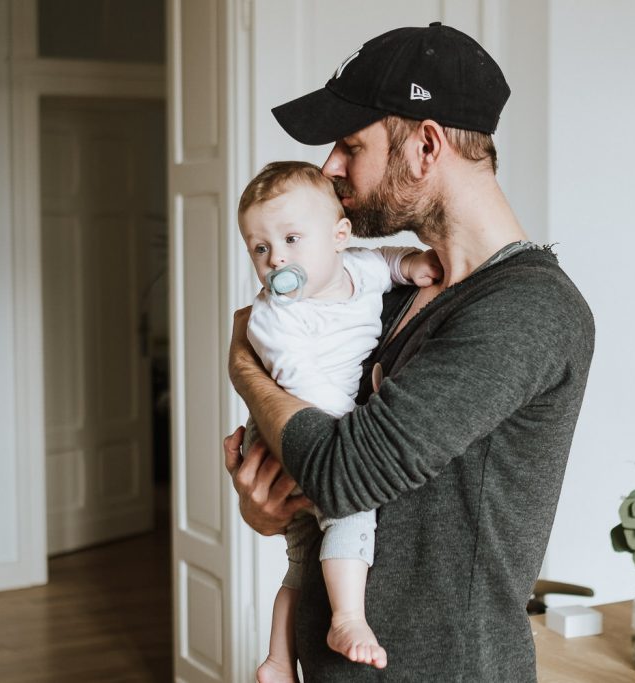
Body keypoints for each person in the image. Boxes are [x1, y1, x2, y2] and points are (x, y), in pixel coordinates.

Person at [225, 22, 595, 682]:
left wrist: (245, 368)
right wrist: (270, 504)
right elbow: (315, 458)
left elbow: (343, 470)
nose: (330, 167)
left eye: (350, 145)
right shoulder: (388, 292)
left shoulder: (529, 309)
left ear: (426, 146)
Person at [235, 160, 441, 681]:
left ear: (339, 237)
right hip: (293, 425)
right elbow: (299, 380)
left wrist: (411, 263)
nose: (276, 258)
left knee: (302, 561)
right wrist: (353, 428)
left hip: (319, 419)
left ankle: (277, 661)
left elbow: (386, 263)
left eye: (291, 239)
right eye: (260, 248)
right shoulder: (273, 316)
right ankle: (347, 617)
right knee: (351, 510)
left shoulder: (357, 270)